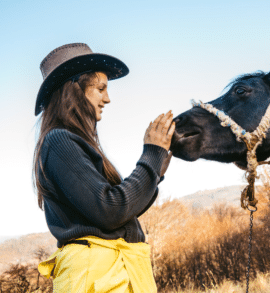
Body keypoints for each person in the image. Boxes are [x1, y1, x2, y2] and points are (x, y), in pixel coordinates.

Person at [33, 43, 173, 293]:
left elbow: (123, 212)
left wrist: (156, 173)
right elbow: (111, 210)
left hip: (113, 273)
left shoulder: (72, 142)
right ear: (73, 89)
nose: (107, 98)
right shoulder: (59, 141)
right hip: (97, 277)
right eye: (100, 88)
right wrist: (150, 156)